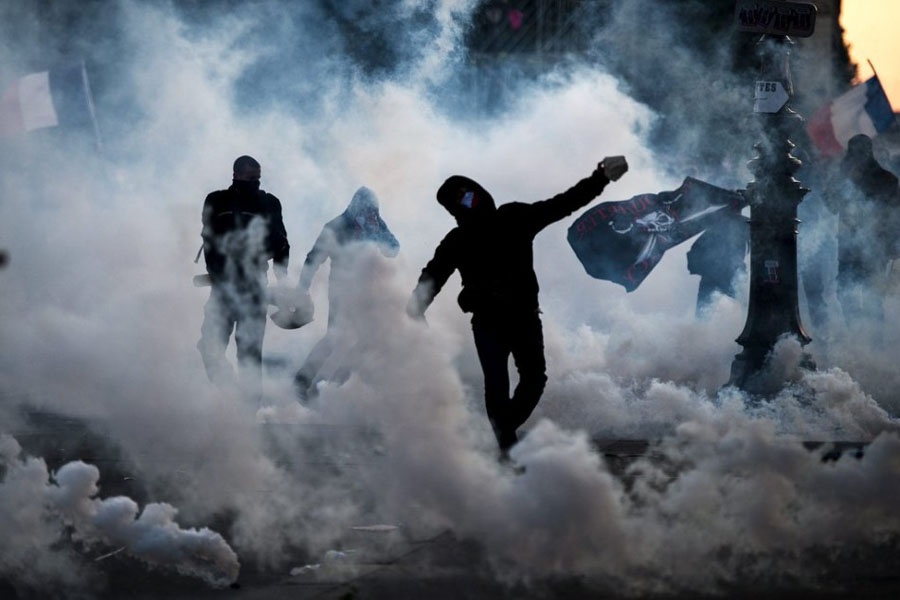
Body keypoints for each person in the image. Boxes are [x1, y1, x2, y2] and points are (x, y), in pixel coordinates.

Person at [407, 157, 628, 459]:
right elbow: (432, 276)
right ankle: (505, 447)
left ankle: (502, 434)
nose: (467, 204)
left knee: (533, 379)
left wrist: (600, 178)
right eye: (458, 202)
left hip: (523, 317)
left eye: (467, 195)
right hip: (489, 321)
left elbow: (563, 204)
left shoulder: (513, 217)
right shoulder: (459, 240)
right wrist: (415, 308)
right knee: (498, 385)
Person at [197, 155, 290, 402]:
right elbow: (209, 241)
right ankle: (229, 396)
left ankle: (248, 414)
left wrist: (283, 283)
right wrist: (219, 272)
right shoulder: (216, 201)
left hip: (254, 288)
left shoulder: (269, 203)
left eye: (258, 179)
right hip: (223, 288)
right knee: (209, 346)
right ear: (236, 175)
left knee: (249, 354)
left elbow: (281, 245)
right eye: (251, 179)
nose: (255, 184)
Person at [294, 186, 399, 400]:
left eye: (373, 209)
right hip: (342, 288)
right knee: (335, 337)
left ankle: (333, 389)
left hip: (368, 290)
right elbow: (314, 258)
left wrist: (378, 234)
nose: (370, 213)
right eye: (366, 208)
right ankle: (303, 382)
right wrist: (302, 289)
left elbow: (394, 249)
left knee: (366, 340)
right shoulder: (336, 226)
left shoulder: (375, 223)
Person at [824, 134, 900, 336]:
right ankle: (859, 332)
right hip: (849, 244)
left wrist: (893, 244)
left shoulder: (888, 180)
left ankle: (874, 339)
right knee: (845, 291)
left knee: (873, 296)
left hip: (876, 245)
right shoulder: (846, 177)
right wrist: (837, 182)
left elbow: (894, 215)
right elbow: (831, 204)